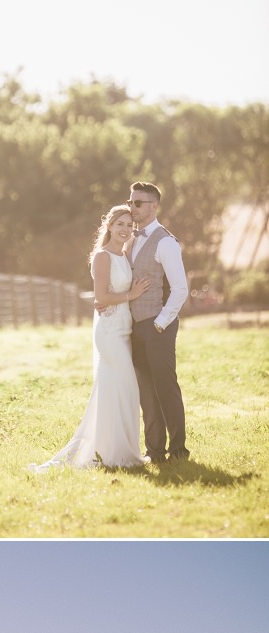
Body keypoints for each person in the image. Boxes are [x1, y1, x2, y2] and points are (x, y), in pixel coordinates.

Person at [33, 205, 151, 471]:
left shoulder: (125, 255)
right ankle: (115, 455)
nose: (125, 230)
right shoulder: (102, 257)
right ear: (109, 226)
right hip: (109, 332)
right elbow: (102, 298)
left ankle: (119, 451)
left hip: (125, 330)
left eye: (129, 225)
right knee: (125, 386)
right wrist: (130, 296)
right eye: (120, 224)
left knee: (121, 390)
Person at [126, 181, 189, 461]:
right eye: (130, 202)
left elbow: (180, 289)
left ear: (153, 206)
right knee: (147, 393)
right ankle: (154, 451)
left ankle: (178, 450)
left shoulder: (165, 242)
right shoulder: (131, 238)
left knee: (165, 388)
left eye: (137, 203)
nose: (132, 208)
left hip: (157, 326)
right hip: (136, 327)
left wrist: (160, 323)